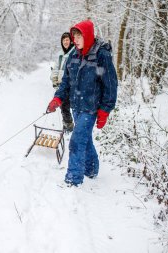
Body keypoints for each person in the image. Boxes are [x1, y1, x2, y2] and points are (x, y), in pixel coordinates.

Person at [47, 20, 118, 186]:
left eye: (79, 36)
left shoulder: (101, 55)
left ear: (87, 35)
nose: (75, 39)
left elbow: (110, 84)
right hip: (76, 106)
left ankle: (73, 179)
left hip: (91, 108)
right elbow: (66, 81)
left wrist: (105, 110)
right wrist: (58, 98)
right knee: (85, 139)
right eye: (74, 36)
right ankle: (91, 169)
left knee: (77, 141)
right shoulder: (73, 55)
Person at [50, 32, 75, 133]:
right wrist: (54, 78)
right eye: (63, 40)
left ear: (71, 41)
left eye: (67, 39)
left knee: (67, 106)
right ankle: (67, 125)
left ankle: (70, 128)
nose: (65, 41)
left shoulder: (73, 54)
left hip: (70, 85)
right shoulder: (61, 54)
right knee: (63, 107)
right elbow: (56, 67)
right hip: (61, 84)